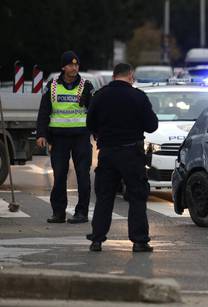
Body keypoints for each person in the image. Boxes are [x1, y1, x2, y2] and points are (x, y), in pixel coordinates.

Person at [86, 63, 158, 252]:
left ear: (114, 76)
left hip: (107, 153)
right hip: (131, 154)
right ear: (130, 76)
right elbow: (152, 126)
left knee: (104, 197)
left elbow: (89, 122)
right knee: (137, 196)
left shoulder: (100, 96)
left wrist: (101, 131)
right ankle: (139, 241)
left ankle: (97, 239)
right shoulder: (138, 96)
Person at [36, 50, 94, 224]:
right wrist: (41, 134)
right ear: (63, 67)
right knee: (59, 175)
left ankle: (81, 213)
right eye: (70, 64)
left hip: (81, 137)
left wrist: (97, 132)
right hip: (59, 138)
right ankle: (58, 213)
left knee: (83, 175)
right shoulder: (52, 86)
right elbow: (44, 112)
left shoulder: (87, 85)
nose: (74, 67)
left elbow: (95, 112)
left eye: (76, 65)